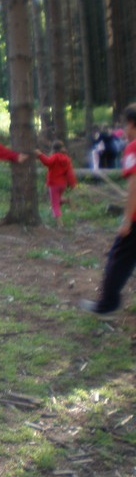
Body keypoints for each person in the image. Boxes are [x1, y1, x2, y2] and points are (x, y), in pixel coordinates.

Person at [80, 104, 136, 318]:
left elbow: (134, 186)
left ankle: (107, 305)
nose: (125, 129)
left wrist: (127, 220)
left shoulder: (133, 147)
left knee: (118, 258)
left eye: (125, 124)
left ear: (131, 123)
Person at [35, 141, 77, 227]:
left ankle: (60, 224)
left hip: (54, 184)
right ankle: (67, 200)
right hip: (63, 184)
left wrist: (40, 155)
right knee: (57, 200)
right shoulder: (67, 159)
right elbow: (70, 173)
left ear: (54, 149)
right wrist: (72, 184)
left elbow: (47, 162)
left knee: (54, 204)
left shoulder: (55, 157)